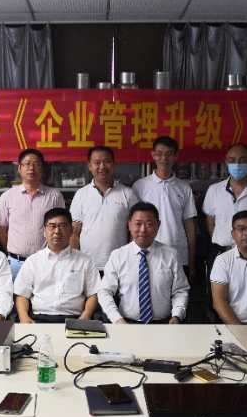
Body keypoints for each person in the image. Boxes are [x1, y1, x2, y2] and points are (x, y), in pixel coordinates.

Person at [97, 202, 189, 324]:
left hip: (164, 324)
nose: (143, 229)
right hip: (127, 324)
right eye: (138, 224)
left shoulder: (171, 255)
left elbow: (180, 290)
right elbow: (104, 291)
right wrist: (117, 319)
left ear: (158, 225)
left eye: (149, 224)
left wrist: (177, 315)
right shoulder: (118, 256)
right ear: (129, 225)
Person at [15, 208, 100, 323]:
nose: (57, 231)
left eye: (62, 226)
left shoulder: (85, 261)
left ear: (71, 230)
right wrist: (24, 317)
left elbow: (93, 293)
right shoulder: (33, 261)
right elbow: (22, 295)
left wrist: (87, 314)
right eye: (52, 226)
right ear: (44, 231)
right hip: (38, 319)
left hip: (74, 319)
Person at [132, 136, 197, 279]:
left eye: (169, 154)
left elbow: (190, 226)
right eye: (159, 153)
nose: (164, 158)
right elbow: (133, 224)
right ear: (153, 155)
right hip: (147, 254)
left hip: (179, 254)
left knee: (178, 293)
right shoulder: (140, 186)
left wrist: (192, 262)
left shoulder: (184, 188)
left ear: (176, 156)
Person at [0, 148, 65, 280]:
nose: (31, 168)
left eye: (36, 164)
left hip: (45, 262)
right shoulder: (7, 196)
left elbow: (61, 226)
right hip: (16, 263)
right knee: (15, 293)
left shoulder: (55, 196)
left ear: (42, 168)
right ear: (19, 168)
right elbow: (1, 228)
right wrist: (12, 251)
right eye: (27, 164)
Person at [69, 146, 139, 275]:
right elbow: (75, 233)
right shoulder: (81, 194)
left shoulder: (128, 194)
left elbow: (134, 232)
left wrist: (131, 260)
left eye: (107, 162)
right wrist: (73, 263)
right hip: (87, 266)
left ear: (114, 164)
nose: (102, 166)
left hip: (119, 265)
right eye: (97, 162)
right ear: (90, 166)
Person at [202, 143, 247, 269]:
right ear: (226, 162)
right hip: (220, 253)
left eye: (242, 160)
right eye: (232, 160)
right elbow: (210, 222)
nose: (237, 164)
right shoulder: (214, 190)